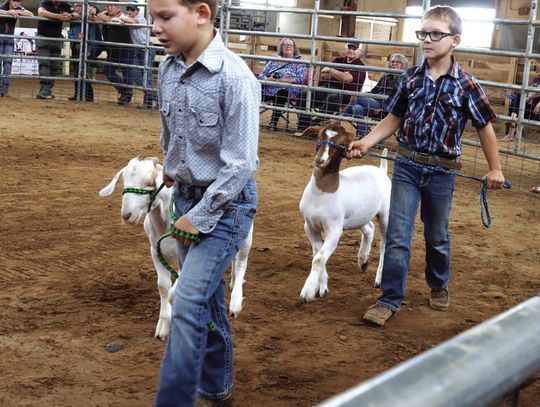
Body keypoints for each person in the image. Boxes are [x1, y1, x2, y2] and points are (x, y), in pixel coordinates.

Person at [347, 5, 506, 327]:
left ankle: (438, 283)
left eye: (436, 34)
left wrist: (496, 168)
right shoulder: (409, 79)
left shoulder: (467, 85)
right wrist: (368, 142)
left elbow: (485, 126)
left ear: (455, 39)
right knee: (398, 235)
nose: (426, 40)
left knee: (436, 235)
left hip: (442, 171)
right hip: (407, 165)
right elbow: (395, 117)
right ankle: (389, 298)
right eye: (422, 33)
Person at [150, 0, 259, 404]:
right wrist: (170, 166)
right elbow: (170, 126)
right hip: (185, 197)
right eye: (152, 18)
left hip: (226, 205)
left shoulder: (235, 78)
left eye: (164, 17)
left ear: (201, 13)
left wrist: (200, 217)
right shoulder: (168, 68)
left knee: (188, 301)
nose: (155, 28)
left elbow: (241, 164)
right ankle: (217, 390)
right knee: (208, 304)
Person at [296, 40, 366, 132]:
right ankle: (303, 127)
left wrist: (330, 70)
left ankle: (315, 125)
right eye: (349, 48)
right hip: (326, 87)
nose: (351, 50)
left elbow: (346, 78)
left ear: (359, 51)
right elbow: (323, 75)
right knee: (303, 94)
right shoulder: (338, 60)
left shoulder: (360, 66)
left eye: (354, 48)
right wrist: (339, 75)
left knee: (333, 97)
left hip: (345, 94)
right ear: (346, 48)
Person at [342, 53, 409, 138]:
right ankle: (364, 135)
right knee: (356, 108)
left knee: (357, 97)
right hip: (373, 103)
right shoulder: (385, 77)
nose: (394, 64)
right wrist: (361, 95)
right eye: (392, 62)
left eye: (398, 62)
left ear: (403, 65)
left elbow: (399, 100)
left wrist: (382, 110)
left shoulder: (404, 81)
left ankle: (342, 117)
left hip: (384, 109)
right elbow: (373, 91)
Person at [114, 4, 158, 109]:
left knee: (145, 77)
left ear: (137, 11)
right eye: (128, 9)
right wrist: (120, 19)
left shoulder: (140, 18)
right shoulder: (130, 18)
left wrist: (122, 18)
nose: (129, 11)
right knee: (136, 75)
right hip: (138, 50)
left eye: (132, 9)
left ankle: (148, 102)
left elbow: (132, 21)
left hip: (146, 49)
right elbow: (115, 19)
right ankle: (156, 98)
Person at [258, 37, 306, 132]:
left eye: (290, 45)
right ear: (281, 47)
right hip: (269, 87)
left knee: (282, 93)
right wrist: (268, 79)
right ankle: (251, 119)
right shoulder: (274, 60)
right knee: (254, 90)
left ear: (294, 47)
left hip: (287, 89)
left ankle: (273, 122)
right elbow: (261, 75)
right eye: (285, 44)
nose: (287, 46)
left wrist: (285, 80)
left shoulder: (299, 61)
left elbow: (301, 78)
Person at [93, 0, 133, 105]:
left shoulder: (121, 17)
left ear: (118, 8)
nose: (108, 7)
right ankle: (124, 90)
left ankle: (126, 95)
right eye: (107, 5)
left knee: (127, 74)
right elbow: (95, 19)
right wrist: (94, 14)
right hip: (112, 50)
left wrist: (97, 13)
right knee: (107, 70)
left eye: (111, 5)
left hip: (125, 49)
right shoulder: (105, 17)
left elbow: (109, 19)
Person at [36, 0, 76, 99]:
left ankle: (46, 90)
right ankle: (44, 91)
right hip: (43, 38)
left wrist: (70, 16)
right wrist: (59, 16)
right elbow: (41, 12)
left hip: (56, 39)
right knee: (44, 63)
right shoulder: (45, 3)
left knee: (55, 66)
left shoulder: (65, 5)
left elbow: (75, 13)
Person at [0, 0, 33, 97]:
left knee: (8, 64)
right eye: (14, 0)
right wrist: (8, 12)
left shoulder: (19, 8)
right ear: (10, 1)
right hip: (1, 37)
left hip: (9, 38)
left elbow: (30, 14)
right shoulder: (3, 6)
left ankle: (4, 90)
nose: (16, 3)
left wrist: (17, 12)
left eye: (18, 1)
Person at [67, 2, 95, 101]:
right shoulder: (73, 19)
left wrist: (89, 49)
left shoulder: (89, 19)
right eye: (76, 6)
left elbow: (92, 35)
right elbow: (70, 35)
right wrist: (76, 38)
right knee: (76, 71)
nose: (78, 8)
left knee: (84, 72)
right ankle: (77, 93)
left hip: (86, 47)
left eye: (80, 6)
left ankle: (88, 95)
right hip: (76, 47)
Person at [503, 76, 540, 141]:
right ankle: (514, 117)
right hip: (530, 108)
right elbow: (529, 95)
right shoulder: (536, 79)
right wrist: (530, 97)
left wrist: (539, 104)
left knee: (515, 105)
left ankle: (511, 133)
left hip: (537, 111)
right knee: (518, 97)